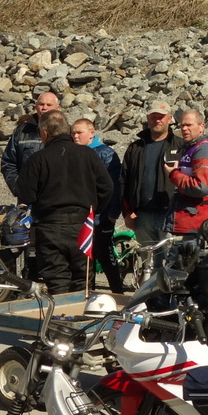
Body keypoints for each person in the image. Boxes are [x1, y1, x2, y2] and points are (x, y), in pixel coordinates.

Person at [17, 110, 112, 294]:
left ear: (44, 133)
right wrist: (93, 209)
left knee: (57, 280)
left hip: (50, 227)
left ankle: (59, 319)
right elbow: (107, 187)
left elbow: (25, 194)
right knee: (83, 281)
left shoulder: (38, 159)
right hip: (83, 225)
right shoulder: (88, 154)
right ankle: (82, 319)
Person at [72, 117, 125, 294]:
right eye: (73, 133)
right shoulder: (73, 152)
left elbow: (115, 185)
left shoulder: (106, 153)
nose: (75, 136)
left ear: (92, 133)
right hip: (82, 215)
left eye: (79, 132)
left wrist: (112, 213)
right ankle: (88, 292)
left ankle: (118, 292)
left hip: (102, 216)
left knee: (104, 254)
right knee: (85, 256)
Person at [121, 102, 177, 246]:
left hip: (170, 215)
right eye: (154, 116)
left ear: (170, 118)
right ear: (148, 118)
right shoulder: (135, 148)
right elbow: (123, 182)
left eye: (161, 117)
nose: (157, 120)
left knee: (170, 261)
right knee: (148, 263)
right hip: (142, 216)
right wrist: (127, 212)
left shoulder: (181, 146)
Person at [165, 109, 208, 236]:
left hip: (196, 222)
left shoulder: (204, 149)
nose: (184, 129)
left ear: (201, 127)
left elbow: (202, 187)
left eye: (189, 125)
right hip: (187, 219)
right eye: (182, 125)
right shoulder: (191, 147)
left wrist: (173, 174)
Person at [1, 91, 60, 196]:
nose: (44, 108)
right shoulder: (22, 131)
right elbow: (8, 162)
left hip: (58, 196)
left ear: (57, 108)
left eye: (49, 105)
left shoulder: (67, 132)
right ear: (36, 106)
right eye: (41, 104)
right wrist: (18, 188)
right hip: (29, 197)